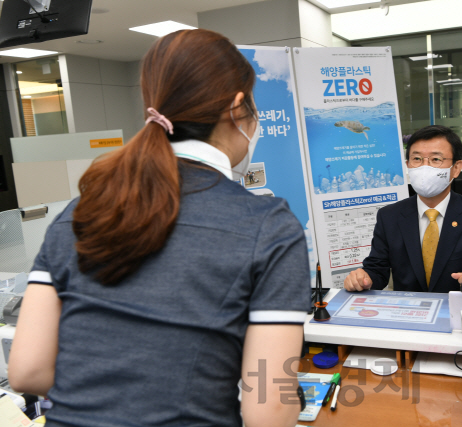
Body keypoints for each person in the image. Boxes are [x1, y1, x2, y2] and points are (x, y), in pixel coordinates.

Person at [8, 30, 308, 427]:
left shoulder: (80, 213)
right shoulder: (268, 227)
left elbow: (27, 371)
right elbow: (268, 412)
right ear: (237, 107)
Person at [344, 125, 462, 293]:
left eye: (436, 159)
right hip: (407, 313)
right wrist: (363, 278)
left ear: (456, 168)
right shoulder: (389, 216)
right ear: (408, 165)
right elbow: (377, 271)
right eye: (417, 159)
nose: (424, 168)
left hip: (457, 312)